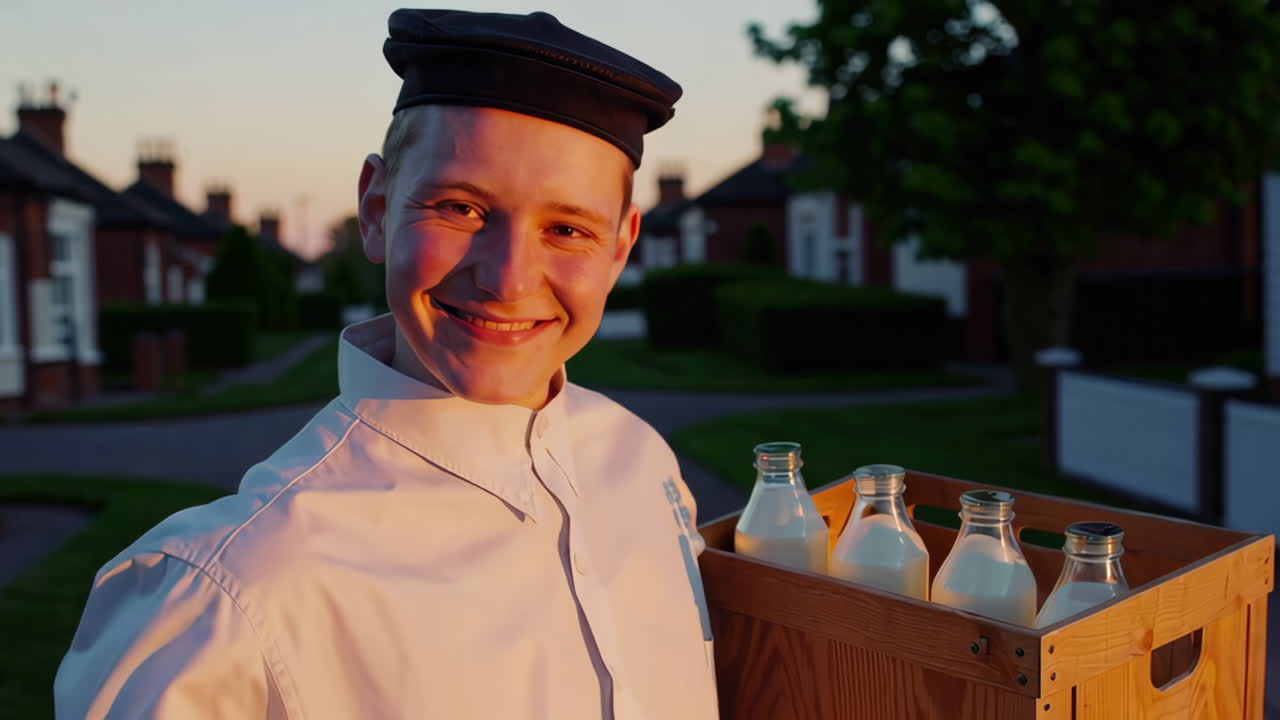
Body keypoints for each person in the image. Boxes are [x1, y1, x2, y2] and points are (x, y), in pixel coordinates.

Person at [53, 9, 718, 719]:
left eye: (566, 228)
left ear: (619, 247)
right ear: (375, 209)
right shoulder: (228, 594)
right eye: (460, 208)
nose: (509, 279)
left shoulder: (643, 465)